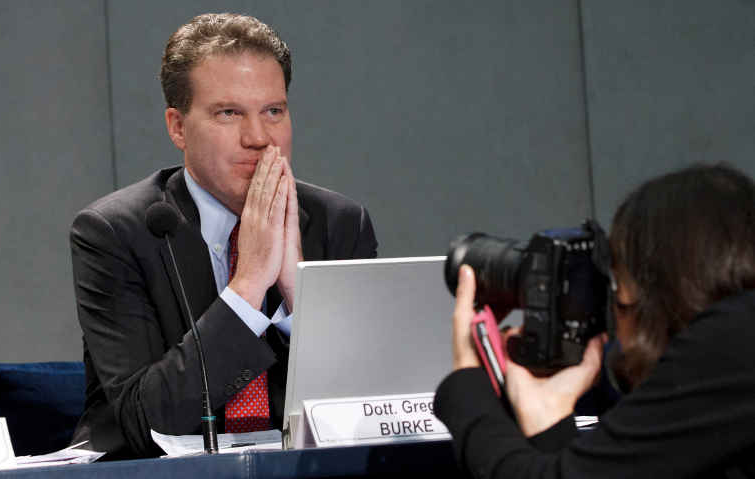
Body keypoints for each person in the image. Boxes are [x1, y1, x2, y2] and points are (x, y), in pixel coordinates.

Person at [69, 13, 377, 458]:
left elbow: (370, 409)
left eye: (273, 111)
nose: (258, 137)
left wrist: (301, 297)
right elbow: (147, 424)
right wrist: (249, 284)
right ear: (177, 126)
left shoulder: (340, 223)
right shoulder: (116, 233)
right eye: (229, 113)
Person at [434, 163, 755, 478]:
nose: (613, 320)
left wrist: (467, 379)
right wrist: (547, 417)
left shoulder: (729, 344)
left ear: (663, 294)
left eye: (620, 297)